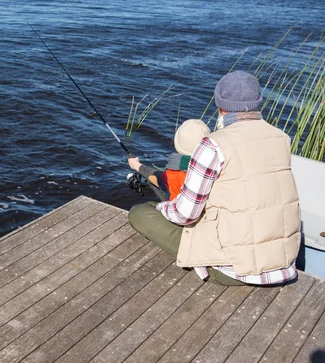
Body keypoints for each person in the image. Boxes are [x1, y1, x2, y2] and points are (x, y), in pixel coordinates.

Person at [128, 71, 300, 286]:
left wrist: (163, 208)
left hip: (235, 270)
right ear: (258, 104)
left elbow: (184, 215)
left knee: (140, 212)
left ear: (220, 108)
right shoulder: (281, 138)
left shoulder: (213, 145)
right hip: (284, 265)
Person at [128, 119, 211, 201]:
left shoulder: (176, 172)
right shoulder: (216, 166)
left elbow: (158, 178)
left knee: (137, 211)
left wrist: (136, 165)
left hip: (178, 211)